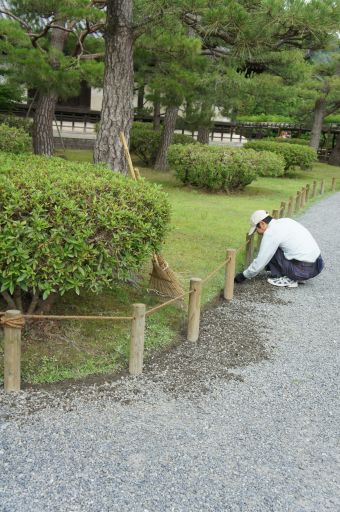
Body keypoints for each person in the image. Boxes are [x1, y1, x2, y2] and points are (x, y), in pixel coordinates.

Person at [234, 210, 324, 288]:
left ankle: (290, 277)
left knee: (270, 251)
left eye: (256, 229)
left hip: (303, 269)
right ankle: (297, 275)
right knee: (274, 248)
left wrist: (243, 275)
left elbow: (261, 261)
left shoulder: (271, 233)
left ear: (262, 224)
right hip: (318, 264)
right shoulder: (285, 221)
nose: (257, 232)